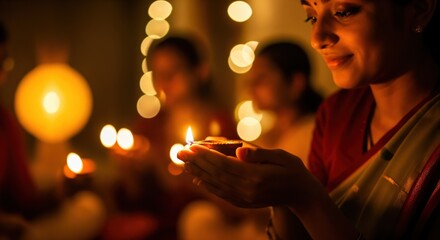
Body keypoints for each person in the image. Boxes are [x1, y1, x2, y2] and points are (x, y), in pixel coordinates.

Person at [177, 0, 440, 239]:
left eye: (343, 12)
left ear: (418, 9)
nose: (317, 38)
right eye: (311, 17)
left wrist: (304, 197)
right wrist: (280, 195)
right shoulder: (336, 113)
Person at [104, 34, 239, 240]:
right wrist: (129, 170)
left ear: (200, 72)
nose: (165, 82)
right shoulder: (150, 124)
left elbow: (230, 199)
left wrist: (163, 166)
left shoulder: (218, 127)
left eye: (174, 71)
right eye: (159, 74)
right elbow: (133, 199)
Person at [247, 40, 322, 163]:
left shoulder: (313, 135)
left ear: (296, 83)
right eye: (251, 79)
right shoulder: (265, 138)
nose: (252, 87)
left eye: (262, 77)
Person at [0, 20, 40, 240]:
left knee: (88, 208)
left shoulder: (4, 122)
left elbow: (24, 197)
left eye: (2, 62)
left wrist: (63, 190)